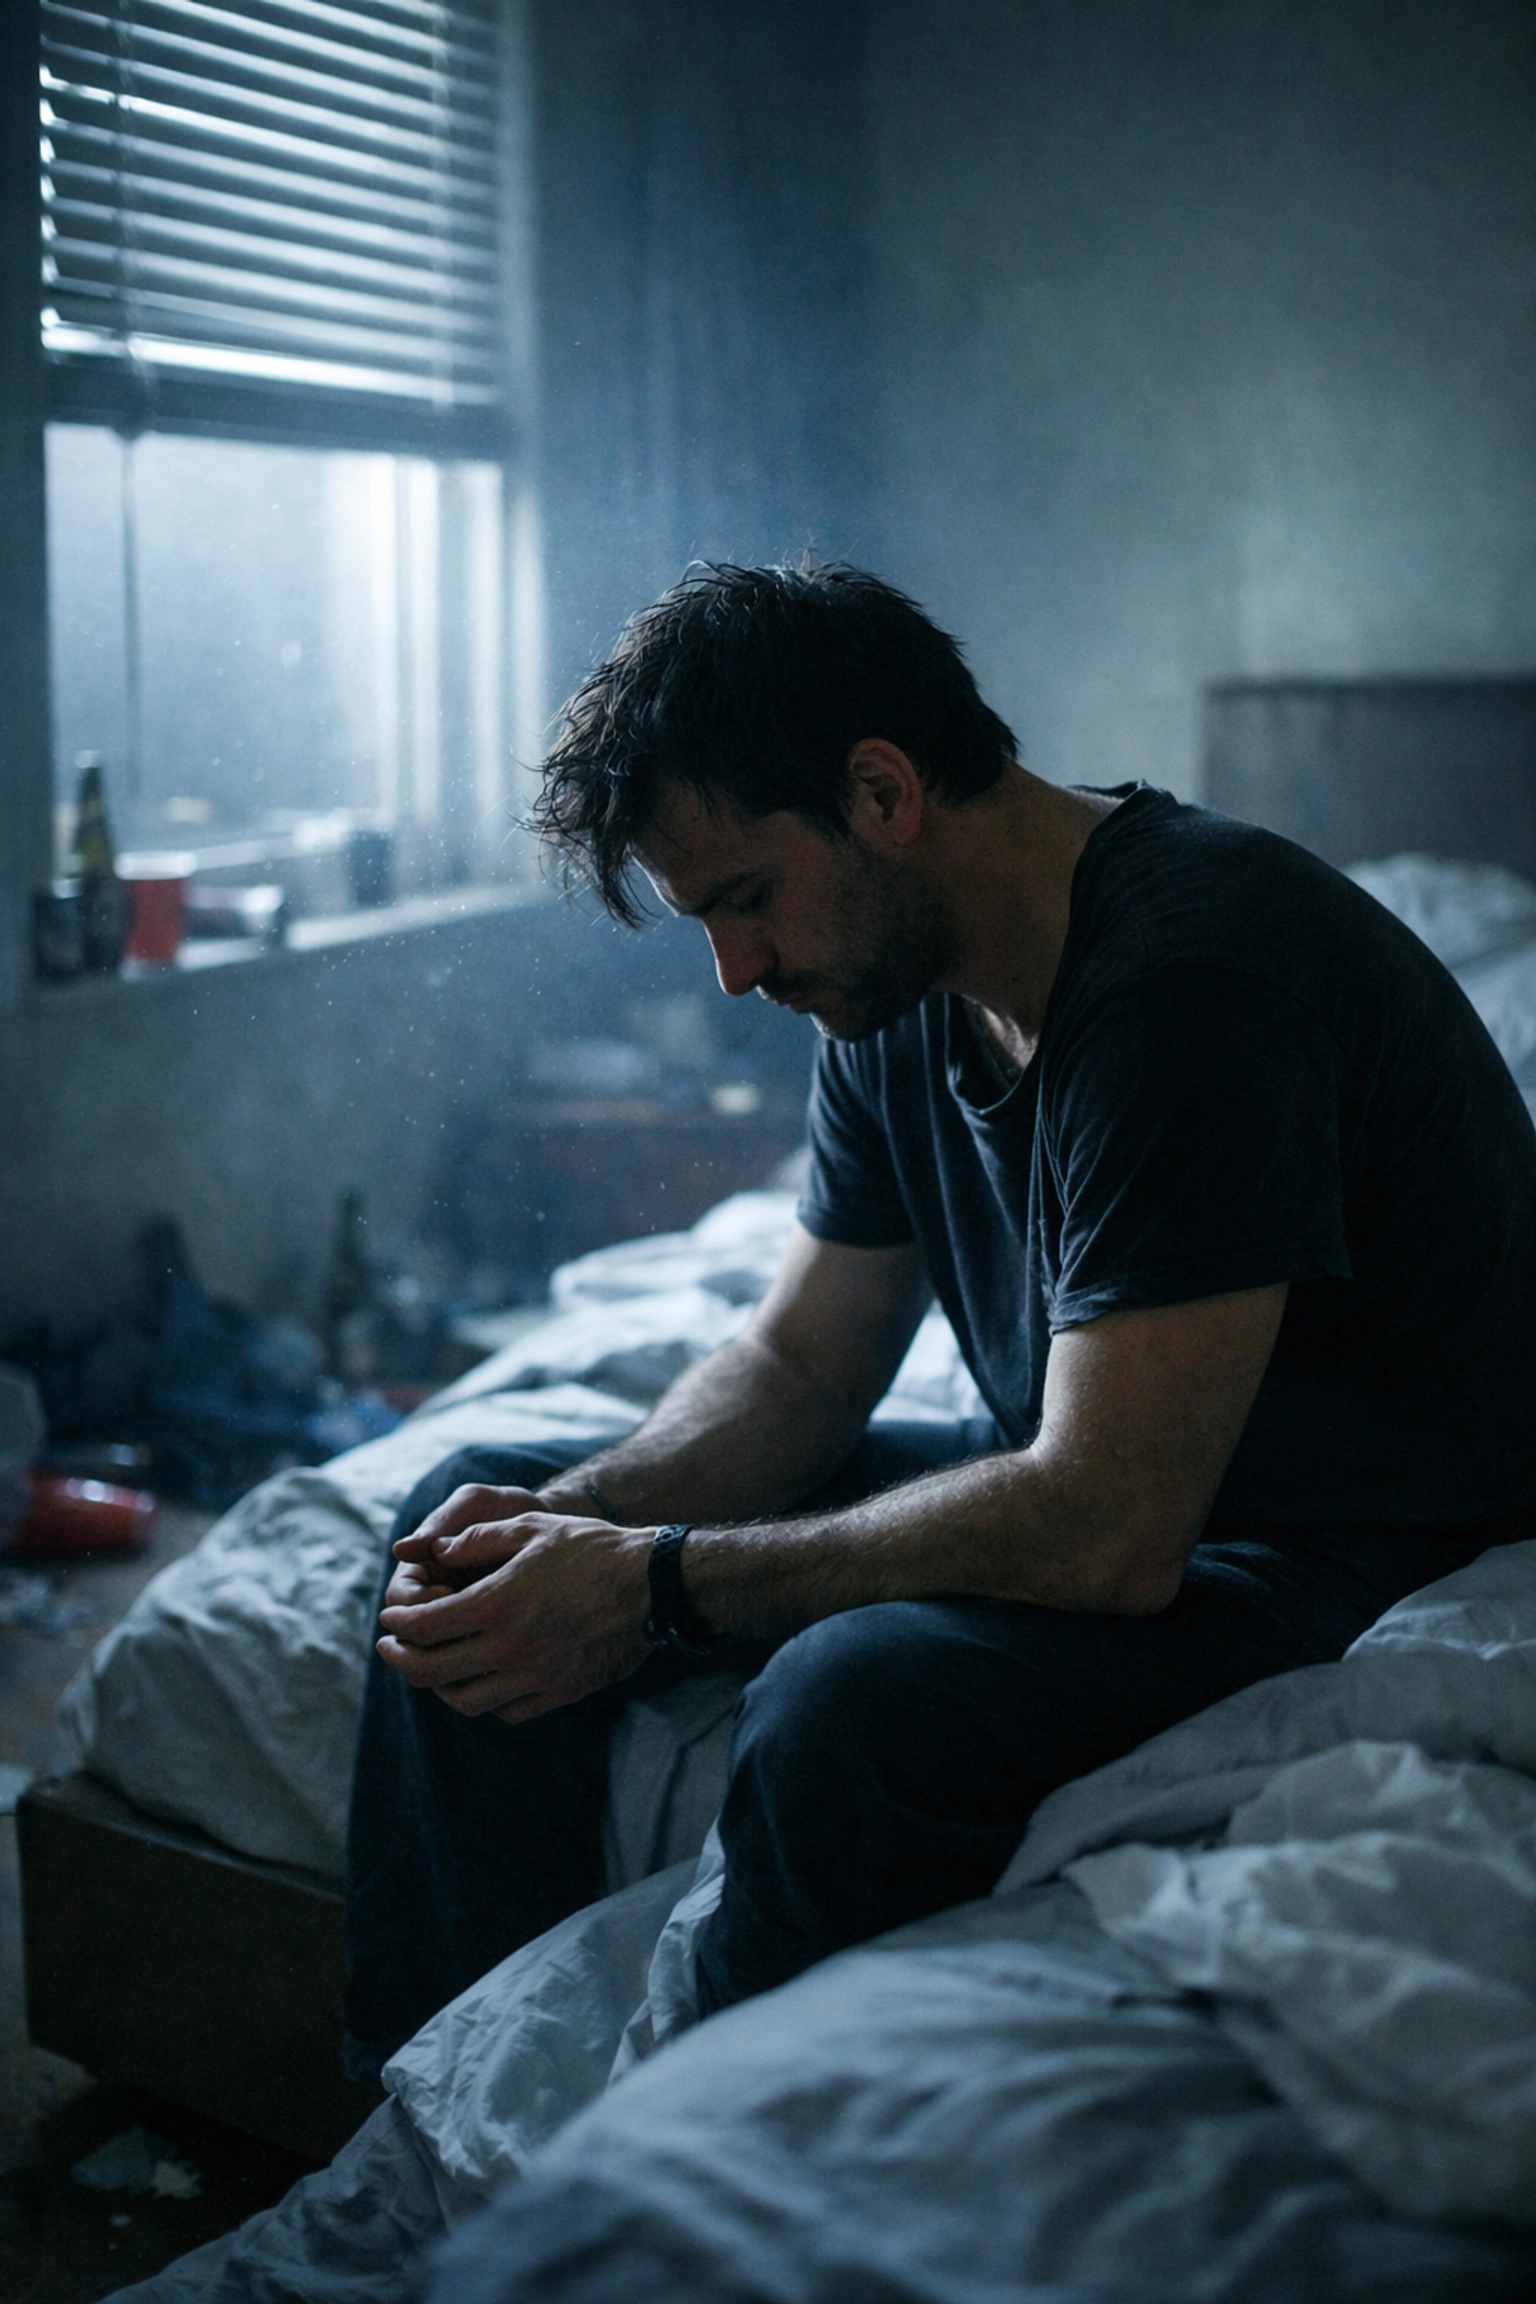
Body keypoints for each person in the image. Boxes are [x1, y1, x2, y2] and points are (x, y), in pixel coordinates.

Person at [344, 562, 1536, 2078]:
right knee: (465, 1531)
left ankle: (713, 2172)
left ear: (884, 791)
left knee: (849, 1700)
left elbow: (1108, 1526)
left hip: (1338, 1544)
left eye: (747, 900)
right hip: (1094, 1472)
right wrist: (573, 1533)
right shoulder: (893, 985)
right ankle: (432, 2123)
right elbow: (797, 1363)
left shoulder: (1201, 974)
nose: (735, 974)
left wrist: (652, 1589)